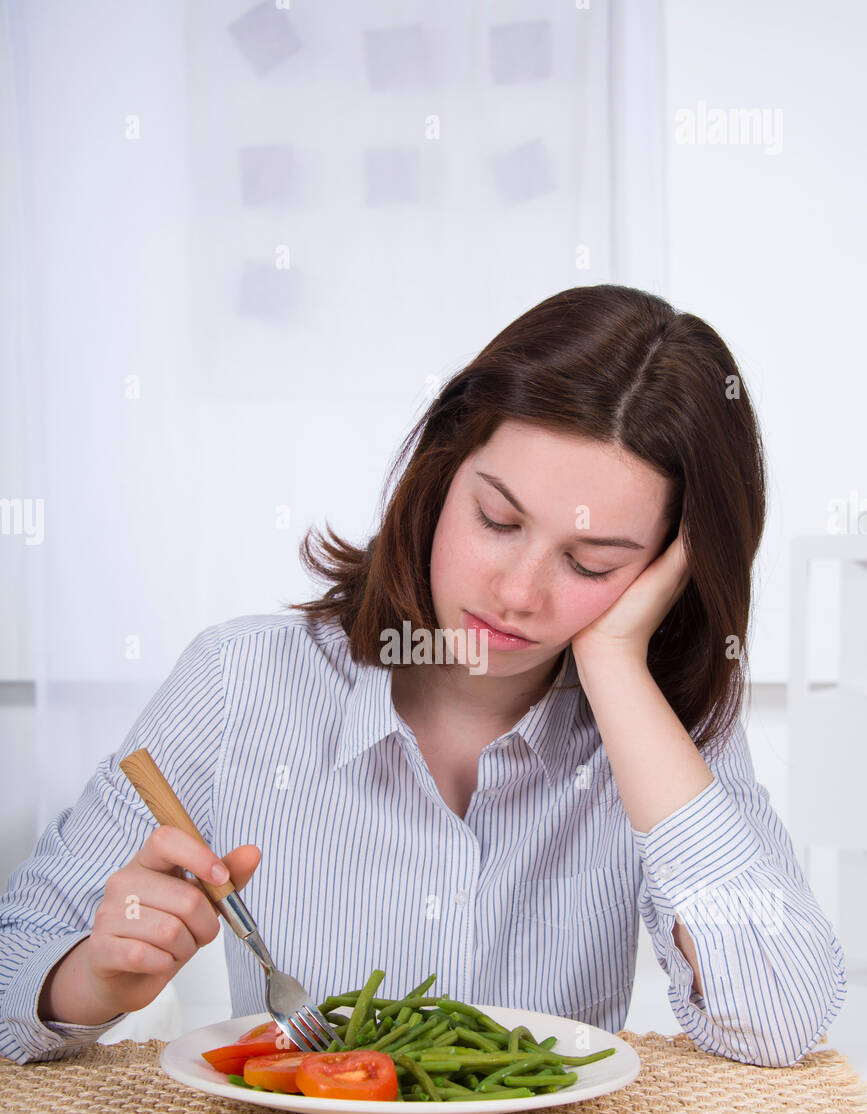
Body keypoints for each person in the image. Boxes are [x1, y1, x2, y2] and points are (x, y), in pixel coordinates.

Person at [0, 285, 846, 1067]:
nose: (517, 594)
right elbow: (13, 968)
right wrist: (91, 980)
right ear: (441, 471)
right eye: (496, 519)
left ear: (666, 572)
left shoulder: (662, 732)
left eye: (591, 563)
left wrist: (618, 667)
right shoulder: (240, 679)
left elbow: (777, 1018)